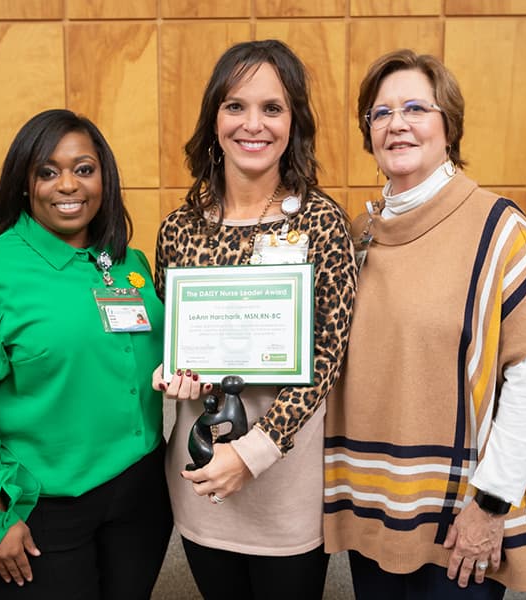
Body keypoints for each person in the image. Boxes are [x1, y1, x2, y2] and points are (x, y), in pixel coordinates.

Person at [323, 48, 526, 599]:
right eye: (380, 113)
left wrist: (490, 506)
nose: (397, 124)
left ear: (449, 125)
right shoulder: (358, 231)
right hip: (376, 501)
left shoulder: (499, 230)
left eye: (415, 107)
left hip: (464, 511)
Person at [0, 109, 172, 600]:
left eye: (84, 169)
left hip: (139, 492)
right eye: (48, 172)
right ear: (24, 185)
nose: (68, 184)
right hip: (40, 504)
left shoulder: (125, 262)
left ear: (104, 179)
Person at [151, 40, 357, 600]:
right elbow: (178, 342)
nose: (253, 124)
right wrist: (174, 375)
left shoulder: (321, 221)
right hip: (202, 469)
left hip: (283, 477)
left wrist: (254, 451)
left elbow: (326, 358)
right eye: (235, 106)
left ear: (295, 122)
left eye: (273, 108)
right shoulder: (179, 229)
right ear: (214, 118)